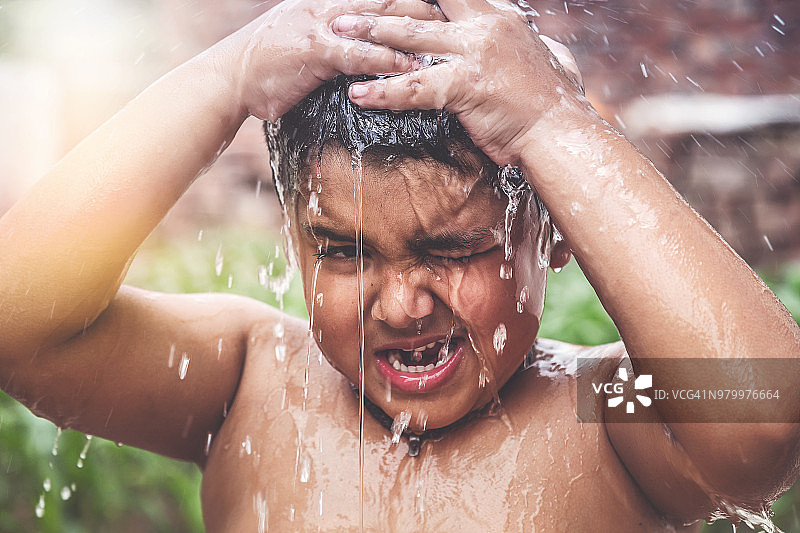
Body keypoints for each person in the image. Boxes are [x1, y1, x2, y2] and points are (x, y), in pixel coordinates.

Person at [0, 0, 798, 531]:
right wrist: (230, 73)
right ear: (295, 238)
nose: (402, 304)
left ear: (555, 231)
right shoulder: (249, 382)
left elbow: (763, 415)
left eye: (453, 249)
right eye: (344, 252)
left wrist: (552, 122)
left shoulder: (599, 410)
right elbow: (21, 319)